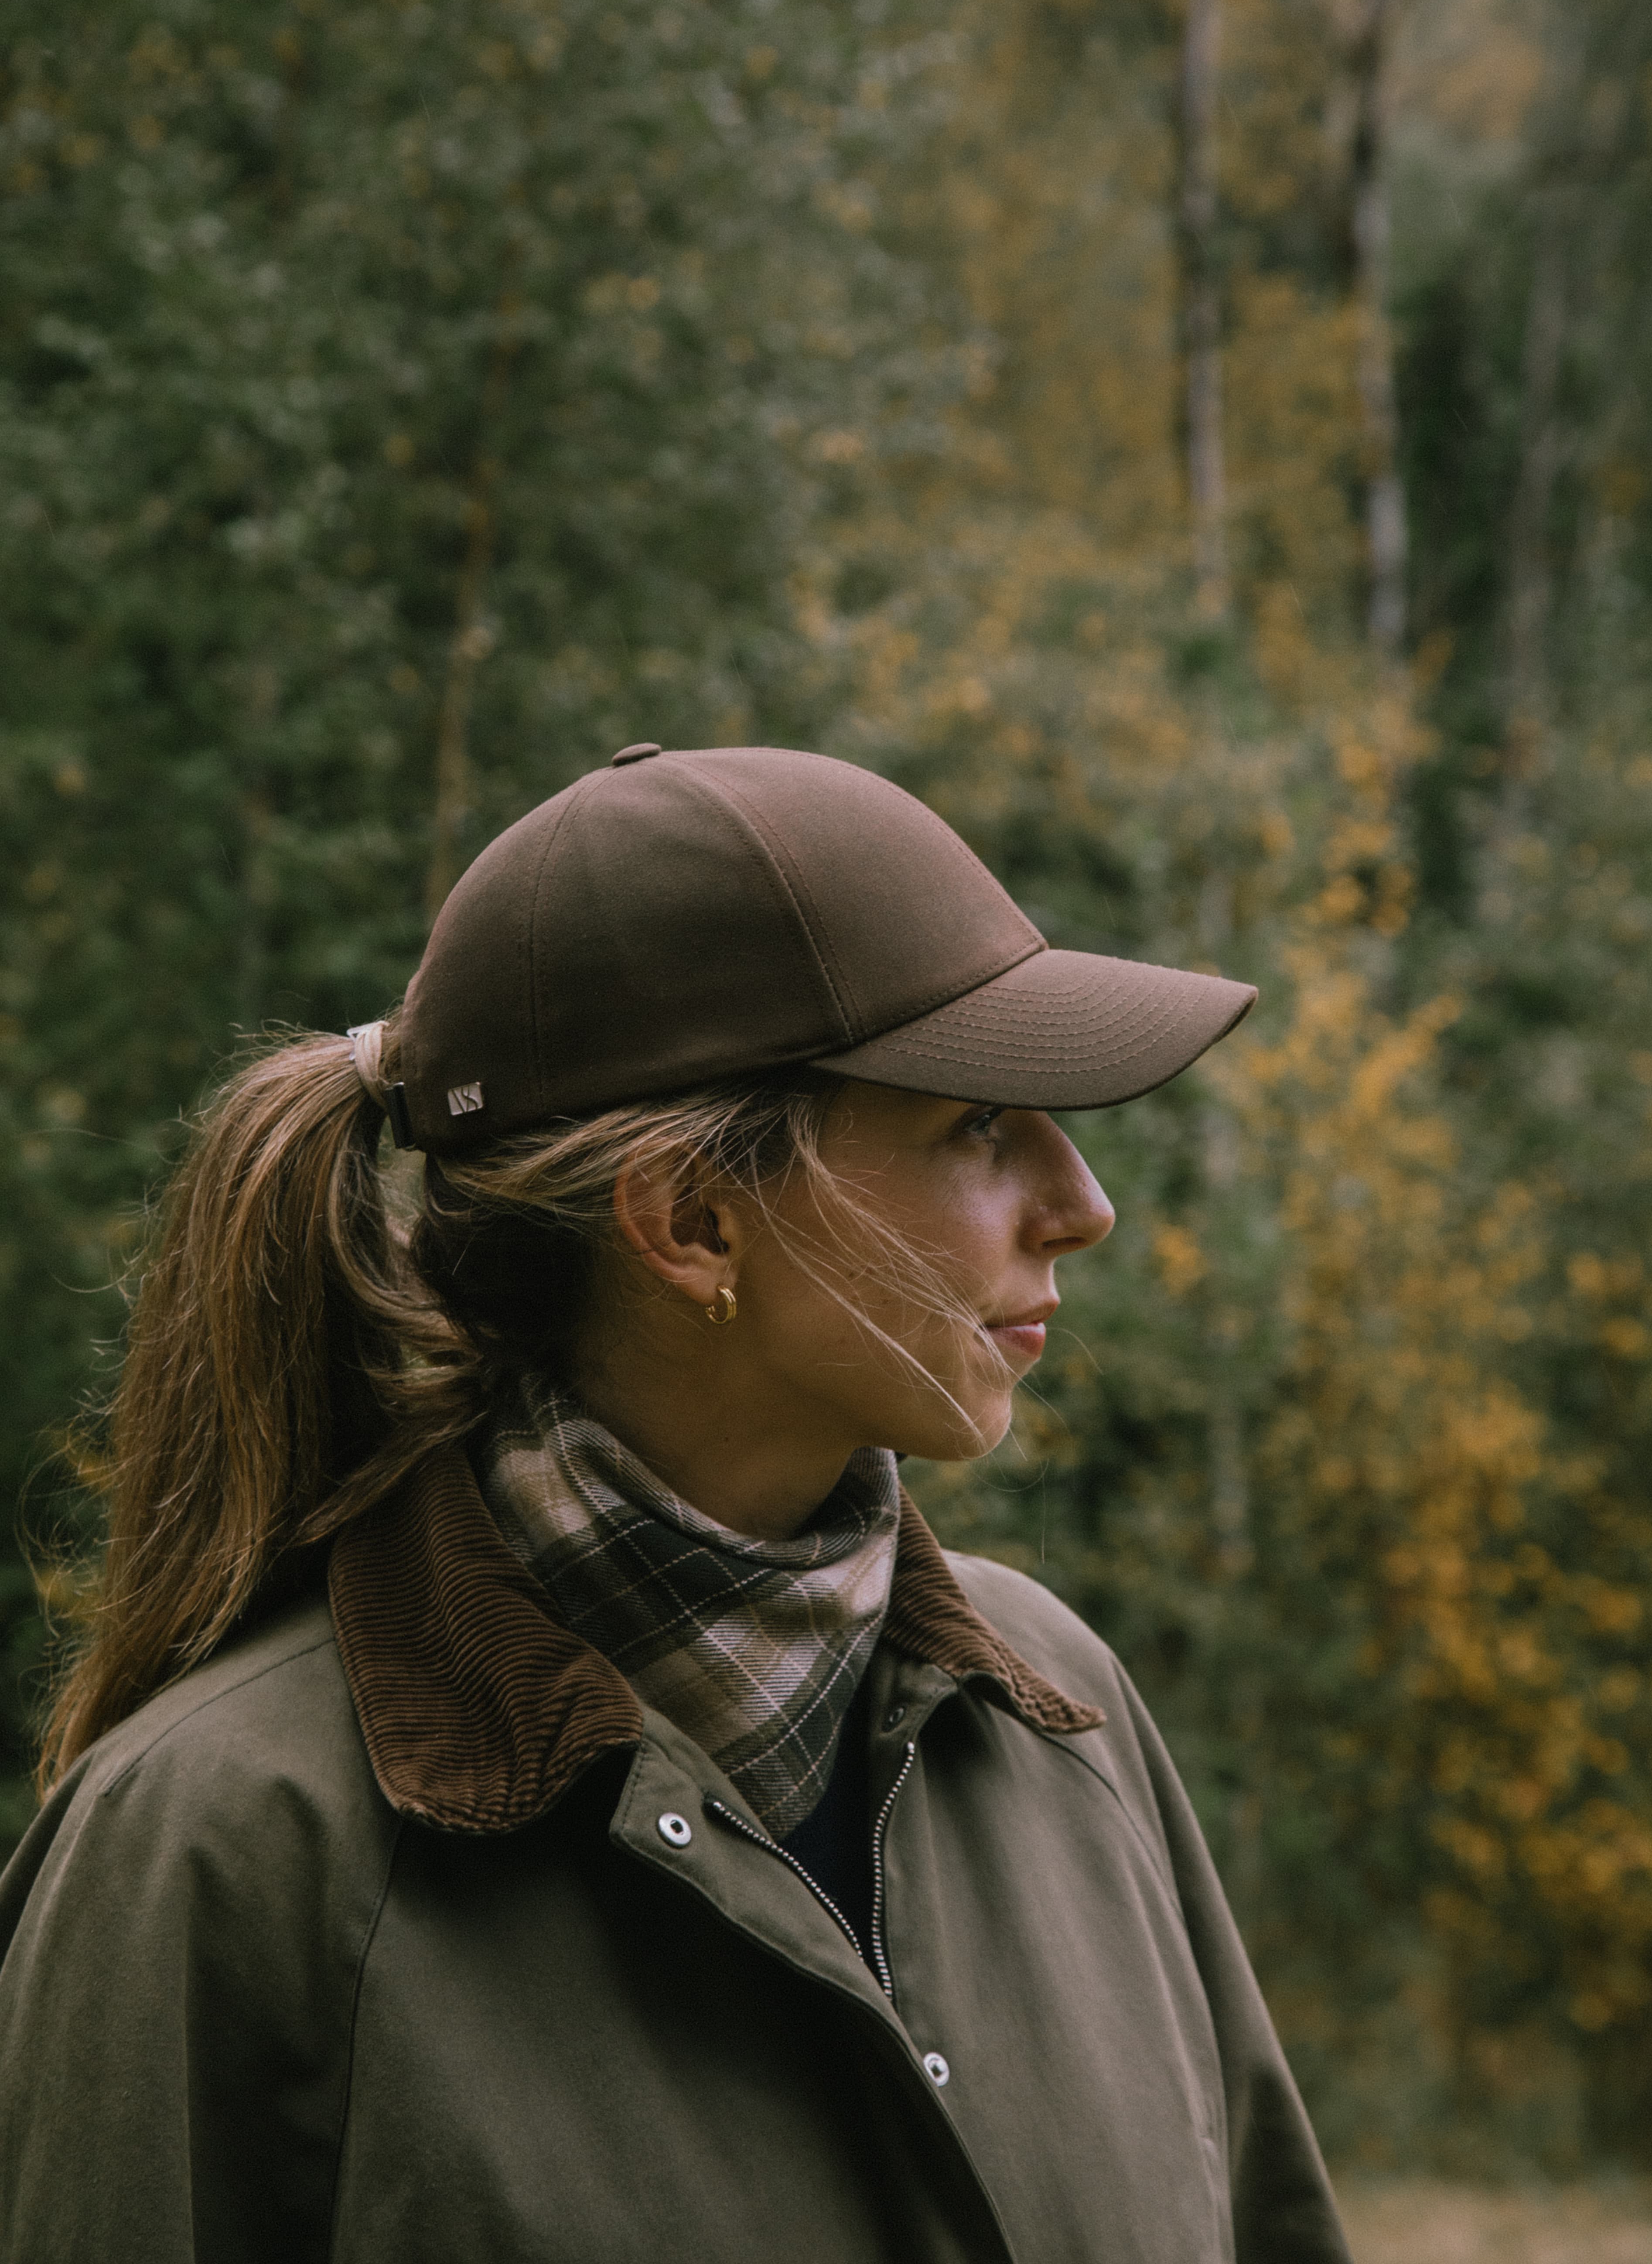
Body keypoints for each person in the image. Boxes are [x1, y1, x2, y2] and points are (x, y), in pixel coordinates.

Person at [0, 743, 1351, 2264]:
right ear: (694, 1223)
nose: (1085, 1204)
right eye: (977, 1122)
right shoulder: (220, 1851)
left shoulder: (1069, 1717)